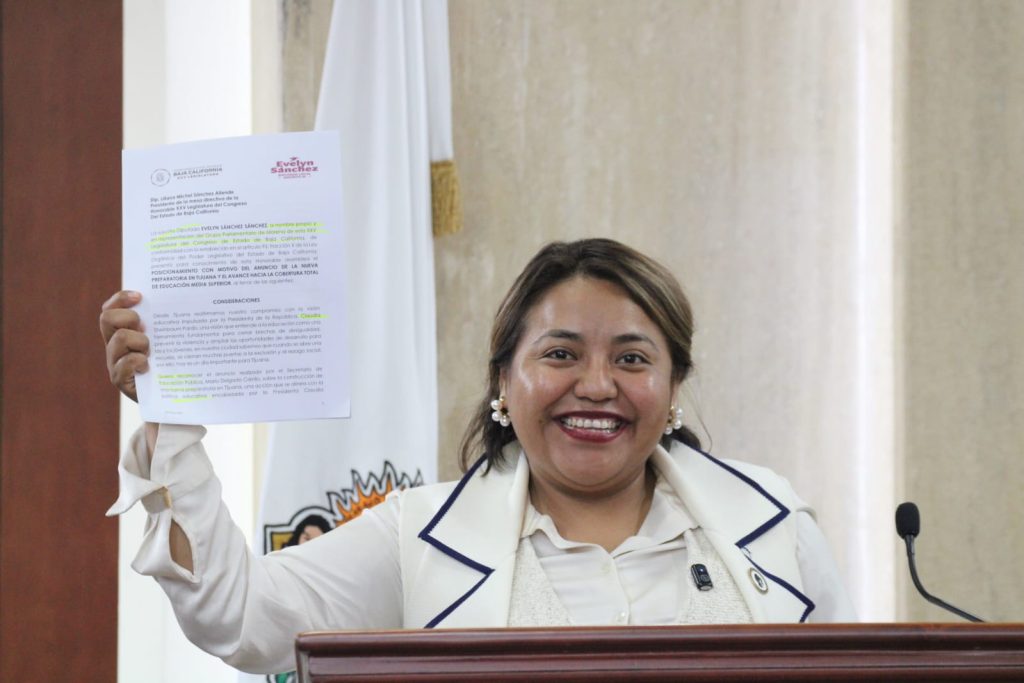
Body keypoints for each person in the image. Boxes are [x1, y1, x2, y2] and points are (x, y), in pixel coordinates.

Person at [101, 238, 855, 675]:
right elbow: (236, 616)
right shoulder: (418, 535)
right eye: (561, 353)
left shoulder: (774, 524)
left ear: (673, 384)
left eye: (632, 358)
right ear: (504, 378)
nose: (596, 385)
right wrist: (175, 417)